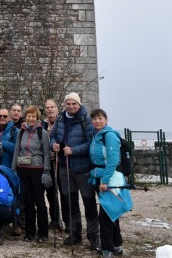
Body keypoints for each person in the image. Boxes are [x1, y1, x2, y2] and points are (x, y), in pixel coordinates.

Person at [50, 92, 100, 251]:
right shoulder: (60, 118)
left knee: (89, 202)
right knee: (70, 202)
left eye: (74, 104)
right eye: (68, 104)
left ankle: (94, 236)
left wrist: (74, 150)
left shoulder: (86, 119)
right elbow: (52, 137)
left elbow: (90, 143)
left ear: (79, 104)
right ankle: (75, 232)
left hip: (82, 167)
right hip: (64, 167)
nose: (71, 107)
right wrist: (54, 145)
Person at [89, 108, 132, 257]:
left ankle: (107, 249)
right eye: (94, 119)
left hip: (111, 179)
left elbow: (113, 160)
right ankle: (117, 245)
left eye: (100, 118)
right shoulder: (97, 135)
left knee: (105, 215)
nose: (97, 121)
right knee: (111, 212)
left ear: (106, 120)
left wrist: (105, 181)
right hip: (104, 178)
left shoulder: (109, 135)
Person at [12, 105, 52, 242]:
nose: (30, 118)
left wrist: (46, 171)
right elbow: (17, 150)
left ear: (37, 118)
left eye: (33, 116)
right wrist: (13, 169)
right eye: (28, 116)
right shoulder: (21, 132)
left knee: (39, 202)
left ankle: (43, 233)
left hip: (37, 170)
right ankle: (29, 232)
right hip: (23, 169)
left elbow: (47, 153)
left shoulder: (43, 133)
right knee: (27, 202)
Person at [43, 99, 63, 229]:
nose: (50, 109)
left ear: (57, 108)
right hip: (48, 162)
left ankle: (67, 222)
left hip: (61, 162)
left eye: (52, 107)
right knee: (51, 192)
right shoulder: (42, 124)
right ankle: (55, 219)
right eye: (47, 107)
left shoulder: (62, 122)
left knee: (65, 193)